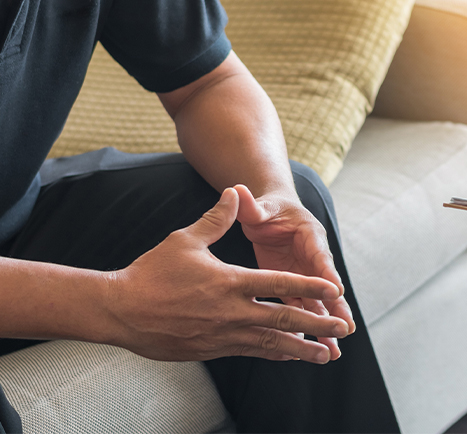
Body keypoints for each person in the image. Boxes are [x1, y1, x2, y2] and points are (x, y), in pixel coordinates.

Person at [0, 0, 398, 433]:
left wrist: (273, 196)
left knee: (267, 216)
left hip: (14, 213)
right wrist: (113, 303)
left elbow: (206, 81)